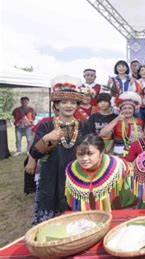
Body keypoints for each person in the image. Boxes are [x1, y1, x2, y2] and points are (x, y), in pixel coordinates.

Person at [30, 76, 91, 224]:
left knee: (76, 221)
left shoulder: (84, 126)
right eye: (64, 102)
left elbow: (93, 150)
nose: (68, 106)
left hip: (77, 177)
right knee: (49, 221)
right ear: (57, 106)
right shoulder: (46, 127)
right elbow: (35, 153)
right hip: (51, 175)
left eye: (72, 102)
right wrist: (46, 139)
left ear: (77, 105)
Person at [65, 134, 136, 211]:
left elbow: (127, 197)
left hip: (121, 210)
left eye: (90, 154)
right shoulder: (72, 170)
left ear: (102, 152)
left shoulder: (118, 167)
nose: (84, 158)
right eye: (80, 154)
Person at [100, 91, 143, 158]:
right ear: (120, 110)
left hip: (136, 153)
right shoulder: (117, 122)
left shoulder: (139, 122)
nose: (127, 110)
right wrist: (117, 119)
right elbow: (102, 133)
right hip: (118, 155)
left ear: (134, 110)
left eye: (130, 108)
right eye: (124, 108)